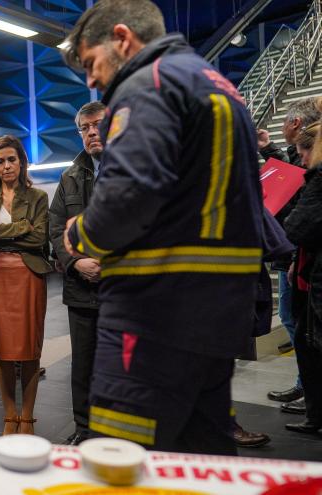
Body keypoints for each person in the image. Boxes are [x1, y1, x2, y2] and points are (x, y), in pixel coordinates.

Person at [61, 0, 263, 454]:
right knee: (202, 456)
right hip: (218, 308)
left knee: (121, 460)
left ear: (122, 38)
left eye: (92, 63)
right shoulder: (217, 85)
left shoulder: (147, 86)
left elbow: (126, 201)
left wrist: (77, 233)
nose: (91, 80)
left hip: (155, 310)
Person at [0, 135, 51, 435]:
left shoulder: (38, 198)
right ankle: (10, 417)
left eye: (11, 159)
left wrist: (0, 233)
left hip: (28, 274)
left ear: (22, 162)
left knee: (30, 349)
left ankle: (28, 417)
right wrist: (21, 227)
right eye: (0, 161)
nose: (6, 166)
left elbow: (40, 238)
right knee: (2, 350)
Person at [49, 101, 105, 445]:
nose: (91, 132)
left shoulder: (137, 168)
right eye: (85, 128)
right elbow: (56, 227)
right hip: (82, 287)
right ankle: (84, 429)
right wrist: (74, 263)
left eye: (97, 124)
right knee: (82, 365)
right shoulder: (70, 175)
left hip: (127, 289)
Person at [264, 98, 322, 415]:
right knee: (297, 326)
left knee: (301, 328)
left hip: (301, 263)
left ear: (296, 124)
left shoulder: (315, 175)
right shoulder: (303, 166)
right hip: (297, 261)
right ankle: (306, 386)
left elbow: (297, 215)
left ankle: (310, 390)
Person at [282, 103, 322, 435]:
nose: (301, 162)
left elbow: (297, 227)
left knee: (310, 342)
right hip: (308, 273)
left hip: (315, 278)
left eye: (302, 154)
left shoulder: (317, 179)